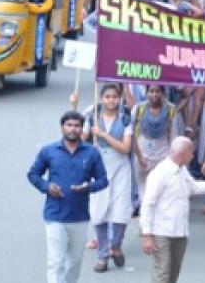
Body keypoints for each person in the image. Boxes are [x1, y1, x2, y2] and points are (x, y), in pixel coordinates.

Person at [27, 110, 111, 283]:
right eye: (69, 125)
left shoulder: (91, 153)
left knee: (74, 262)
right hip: (55, 215)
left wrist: (88, 187)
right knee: (56, 262)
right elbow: (33, 174)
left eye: (77, 126)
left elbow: (103, 180)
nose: (73, 129)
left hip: (79, 216)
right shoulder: (49, 151)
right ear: (62, 127)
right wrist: (47, 187)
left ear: (82, 128)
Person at [139, 137, 205, 283]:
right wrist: (146, 235)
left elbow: (192, 187)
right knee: (162, 272)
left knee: (173, 272)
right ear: (182, 154)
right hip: (161, 232)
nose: (192, 157)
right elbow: (148, 204)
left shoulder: (182, 170)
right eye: (191, 153)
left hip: (180, 231)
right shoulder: (160, 173)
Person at [75, 85, 135, 273]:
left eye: (115, 97)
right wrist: (74, 108)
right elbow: (79, 142)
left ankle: (115, 245)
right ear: (101, 98)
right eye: (107, 97)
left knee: (120, 210)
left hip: (120, 168)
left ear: (119, 98)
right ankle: (102, 254)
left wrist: (103, 135)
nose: (111, 100)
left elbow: (126, 148)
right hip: (98, 168)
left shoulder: (125, 118)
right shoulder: (93, 116)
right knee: (99, 211)